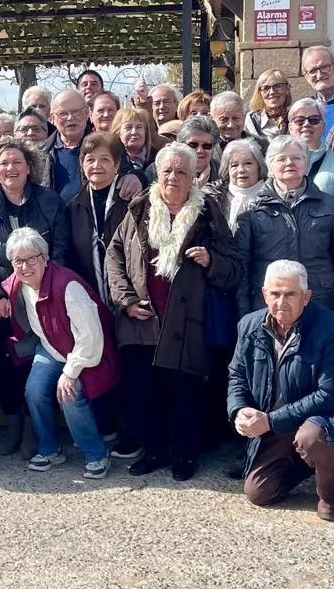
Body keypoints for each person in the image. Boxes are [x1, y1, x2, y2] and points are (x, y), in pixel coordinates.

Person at [105, 143, 240, 479]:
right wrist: (126, 301)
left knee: (186, 393)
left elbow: (233, 266)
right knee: (147, 391)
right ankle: (154, 451)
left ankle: (185, 455)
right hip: (144, 319)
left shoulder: (208, 211)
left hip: (187, 321)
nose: (174, 177)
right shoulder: (139, 208)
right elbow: (114, 257)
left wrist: (211, 261)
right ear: (158, 173)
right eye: (167, 170)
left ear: (194, 176)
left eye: (182, 171)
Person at [229, 260, 334, 522]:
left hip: (323, 419)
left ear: (306, 297)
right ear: (264, 294)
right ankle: (311, 465)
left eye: (290, 294)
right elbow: (236, 375)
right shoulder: (248, 325)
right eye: (275, 294)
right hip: (276, 423)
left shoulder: (332, 329)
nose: (281, 301)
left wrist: (271, 421)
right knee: (259, 493)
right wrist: (238, 410)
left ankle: (331, 495)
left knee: (311, 438)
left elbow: (332, 394)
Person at [0, 136, 70, 456]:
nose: (10, 168)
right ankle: (13, 425)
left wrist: (41, 292)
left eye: (17, 162)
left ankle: (34, 429)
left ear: (29, 168)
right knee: (3, 367)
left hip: (40, 300)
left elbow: (61, 251)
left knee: (35, 367)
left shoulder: (49, 202)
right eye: (3, 163)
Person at [6, 226, 118, 479]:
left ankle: (96, 454)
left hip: (85, 350)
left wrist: (70, 371)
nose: (24, 267)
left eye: (31, 259)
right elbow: (1, 291)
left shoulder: (68, 287)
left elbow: (91, 337)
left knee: (68, 391)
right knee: (33, 390)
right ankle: (49, 449)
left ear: (45, 258)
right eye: (18, 261)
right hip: (51, 347)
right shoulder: (18, 283)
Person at [234, 135, 334, 317]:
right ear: (269, 166)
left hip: (321, 304)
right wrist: (245, 314)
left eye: (296, 158)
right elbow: (241, 266)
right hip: (268, 307)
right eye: (281, 159)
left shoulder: (328, 205)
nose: (289, 163)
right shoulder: (251, 209)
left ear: (306, 163)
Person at [66, 132, 132, 300]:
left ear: (116, 165)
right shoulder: (73, 208)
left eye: (104, 159)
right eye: (90, 160)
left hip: (130, 299)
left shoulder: (131, 202)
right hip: (89, 300)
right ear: (81, 164)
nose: (96, 165)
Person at [286, 98, 334, 199]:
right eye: (299, 120)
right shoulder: (279, 161)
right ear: (290, 128)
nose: (306, 124)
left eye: (314, 120)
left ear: (324, 126)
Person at [211, 138, 266, 233]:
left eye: (248, 163)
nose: (241, 170)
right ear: (227, 170)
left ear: (259, 166)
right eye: (234, 165)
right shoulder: (213, 198)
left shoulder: (272, 197)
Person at [47, 90, 91, 202]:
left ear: (87, 113)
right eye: (62, 113)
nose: (70, 118)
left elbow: (126, 170)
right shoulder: (42, 153)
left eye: (76, 112)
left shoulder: (104, 148)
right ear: (52, 118)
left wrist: (134, 176)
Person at [244, 69, 292, 143]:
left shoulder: (295, 118)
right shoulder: (252, 120)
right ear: (260, 93)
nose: (272, 92)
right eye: (266, 88)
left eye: (278, 86)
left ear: (287, 89)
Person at [176, 114, 221, 187]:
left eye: (206, 146)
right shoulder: (163, 170)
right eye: (193, 145)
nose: (199, 150)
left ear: (213, 149)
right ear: (181, 145)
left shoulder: (222, 174)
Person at [111, 107, 159, 174]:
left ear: (145, 132)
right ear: (118, 132)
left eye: (139, 127)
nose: (134, 132)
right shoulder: (111, 159)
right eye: (128, 127)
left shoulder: (157, 158)